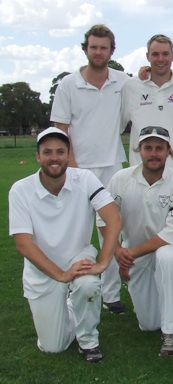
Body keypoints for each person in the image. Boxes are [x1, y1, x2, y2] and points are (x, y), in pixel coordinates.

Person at [8, 127, 122, 362]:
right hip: (43, 272)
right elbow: (23, 244)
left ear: (69, 155)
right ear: (38, 156)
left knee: (89, 284)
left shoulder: (85, 179)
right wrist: (60, 275)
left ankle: (89, 341)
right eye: (47, 152)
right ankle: (72, 305)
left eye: (60, 152)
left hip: (77, 258)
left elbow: (113, 219)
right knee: (53, 347)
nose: (54, 158)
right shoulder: (20, 190)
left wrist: (102, 262)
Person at [121, 34, 173, 314]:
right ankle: (148, 286)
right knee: (144, 231)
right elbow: (122, 122)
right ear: (147, 56)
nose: (160, 59)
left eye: (165, 54)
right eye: (155, 54)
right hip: (143, 174)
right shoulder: (132, 86)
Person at [50, 24, 128, 315]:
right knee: (75, 231)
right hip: (78, 169)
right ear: (86, 49)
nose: (98, 52)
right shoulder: (69, 84)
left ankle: (110, 294)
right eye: (93, 47)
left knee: (111, 229)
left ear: (111, 51)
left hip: (112, 166)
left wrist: (145, 71)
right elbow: (60, 129)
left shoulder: (123, 81)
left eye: (103, 47)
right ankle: (69, 282)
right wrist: (73, 168)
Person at [97, 126, 173, 355]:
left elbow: (171, 234)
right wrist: (118, 251)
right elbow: (103, 221)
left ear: (169, 151)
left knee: (167, 258)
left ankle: (170, 333)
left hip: (168, 249)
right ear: (139, 150)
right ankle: (171, 297)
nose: (154, 153)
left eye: (160, 148)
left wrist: (128, 254)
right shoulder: (120, 179)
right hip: (133, 254)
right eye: (148, 148)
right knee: (148, 325)